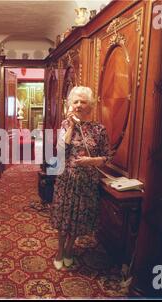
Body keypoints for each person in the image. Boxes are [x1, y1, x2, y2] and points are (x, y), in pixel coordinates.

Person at [50, 86, 113, 270]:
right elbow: (60, 151)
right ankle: (60, 250)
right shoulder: (65, 125)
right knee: (64, 218)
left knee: (78, 219)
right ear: (70, 105)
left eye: (82, 102)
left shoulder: (99, 129)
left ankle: (70, 248)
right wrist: (70, 126)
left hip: (87, 183)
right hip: (67, 180)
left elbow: (107, 158)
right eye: (75, 101)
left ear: (90, 106)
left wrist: (91, 161)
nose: (78, 105)